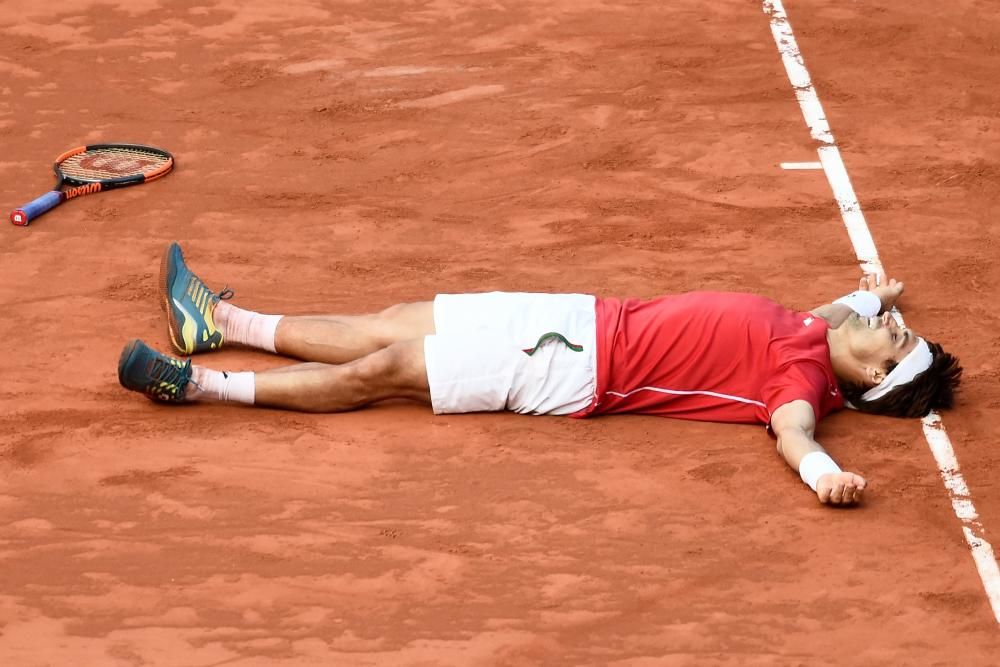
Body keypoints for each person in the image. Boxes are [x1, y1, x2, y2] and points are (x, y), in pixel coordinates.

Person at [119, 243, 962, 506]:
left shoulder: (802, 388)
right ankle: (221, 322)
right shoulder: (819, 333)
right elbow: (831, 312)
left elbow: (792, 431)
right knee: (392, 320)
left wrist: (825, 476)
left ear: (875, 375)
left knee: (387, 368)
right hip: (573, 314)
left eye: (893, 332)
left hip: (572, 367)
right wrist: (870, 294)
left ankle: (196, 386)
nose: (889, 321)